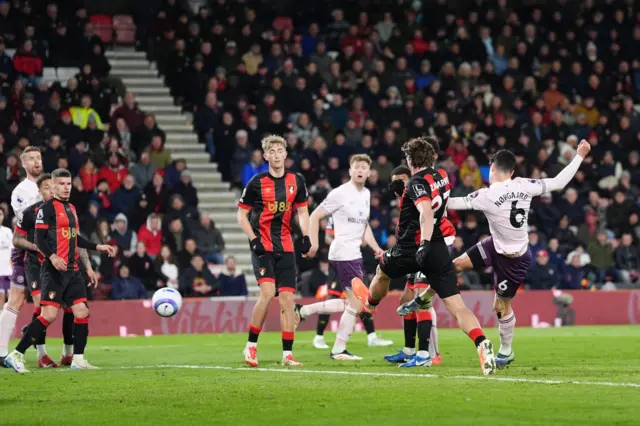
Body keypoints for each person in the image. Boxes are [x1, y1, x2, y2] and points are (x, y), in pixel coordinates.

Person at [446, 140, 591, 369]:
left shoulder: (485, 195)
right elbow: (559, 182)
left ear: (492, 168)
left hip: (513, 259)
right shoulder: (524, 184)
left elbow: (452, 203)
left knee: (500, 306)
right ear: (512, 172)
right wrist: (580, 155)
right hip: (497, 244)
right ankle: (424, 294)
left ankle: (506, 350)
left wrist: (426, 198)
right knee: (456, 264)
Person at [364, 137, 496, 375]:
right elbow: (434, 206)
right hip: (437, 247)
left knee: (382, 271)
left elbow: (425, 211)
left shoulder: (415, 182)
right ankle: (482, 342)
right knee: (457, 306)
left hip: (412, 247)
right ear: (432, 158)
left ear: (409, 160)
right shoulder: (442, 175)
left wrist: (422, 243)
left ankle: (370, 305)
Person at [4, 168, 117, 373]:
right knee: (48, 315)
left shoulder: (71, 208)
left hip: (72, 270)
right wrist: (52, 256)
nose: (66, 188)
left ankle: (78, 359)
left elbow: (75, 238)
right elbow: (38, 239)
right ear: (53, 186)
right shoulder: (46, 210)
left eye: (69, 184)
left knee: (82, 311)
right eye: (62, 184)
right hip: (54, 271)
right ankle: (17, 354)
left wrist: (97, 247)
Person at [294, 154, 392, 360]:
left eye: (364, 167)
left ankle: (303, 311)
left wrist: (376, 248)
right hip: (343, 253)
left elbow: (364, 226)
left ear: (369, 172)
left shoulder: (366, 194)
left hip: (354, 254)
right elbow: (315, 215)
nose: (360, 170)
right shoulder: (339, 193)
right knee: (358, 303)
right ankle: (338, 349)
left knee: (352, 303)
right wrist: (314, 243)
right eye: (356, 166)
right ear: (350, 170)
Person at [237, 135, 311, 367]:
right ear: (266, 155)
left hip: (286, 247)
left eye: (281, 150)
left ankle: (287, 355)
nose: (277, 155)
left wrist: (307, 236)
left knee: (287, 300)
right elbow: (241, 215)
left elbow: (303, 212)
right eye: (272, 151)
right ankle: (250, 347)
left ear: (285, 154)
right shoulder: (256, 183)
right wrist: (253, 239)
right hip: (264, 247)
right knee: (268, 294)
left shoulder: (296, 181)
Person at [383, 164, 453, 366]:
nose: (398, 185)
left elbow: (429, 217)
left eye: (401, 181)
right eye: (395, 181)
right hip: (416, 249)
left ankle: (429, 354)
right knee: (406, 299)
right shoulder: (406, 199)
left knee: (421, 298)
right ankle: (409, 350)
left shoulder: (421, 190)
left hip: (431, 245)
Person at [0, 147, 43, 365]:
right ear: (23, 164)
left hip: (47, 250)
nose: (36, 162)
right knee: (16, 299)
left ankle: (31, 333)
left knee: (48, 304)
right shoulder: (21, 190)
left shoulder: (49, 186)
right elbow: (27, 220)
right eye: (31, 159)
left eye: (39, 158)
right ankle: (0, 351)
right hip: (25, 248)